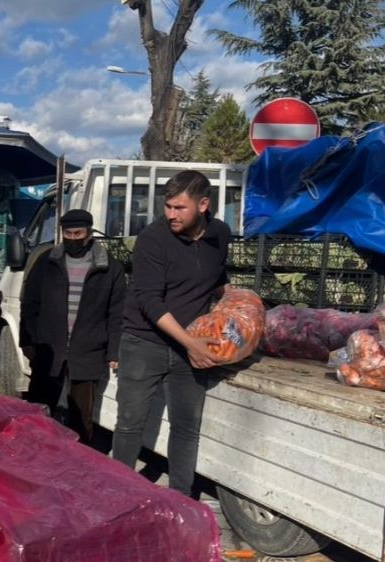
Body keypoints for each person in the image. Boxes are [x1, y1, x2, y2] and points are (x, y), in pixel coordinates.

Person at [111, 170, 228, 497]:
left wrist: (237, 304)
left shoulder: (219, 234)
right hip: (143, 343)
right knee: (130, 423)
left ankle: (181, 498)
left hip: (186, 347)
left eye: (180, 208)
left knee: (186, 427)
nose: (171, 215)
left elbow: (219, 277)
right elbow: (148, 300)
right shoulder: (152, 238)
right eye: (168, 207)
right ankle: (119, 495)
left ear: (204, 204)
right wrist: (190, 343)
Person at [19, 209, 125, 444]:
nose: (73, 238)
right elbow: (30, 304)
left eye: (78, 233)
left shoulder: (109, 268)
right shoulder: (46, 262)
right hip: (49, 350)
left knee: (81, 418)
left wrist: (114, 351)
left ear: (89, 233)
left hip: (88, 352)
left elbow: (116, 313)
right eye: (68, 233)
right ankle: (36, 458)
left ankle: (79, 467)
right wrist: (27, 340)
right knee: (40, 413)